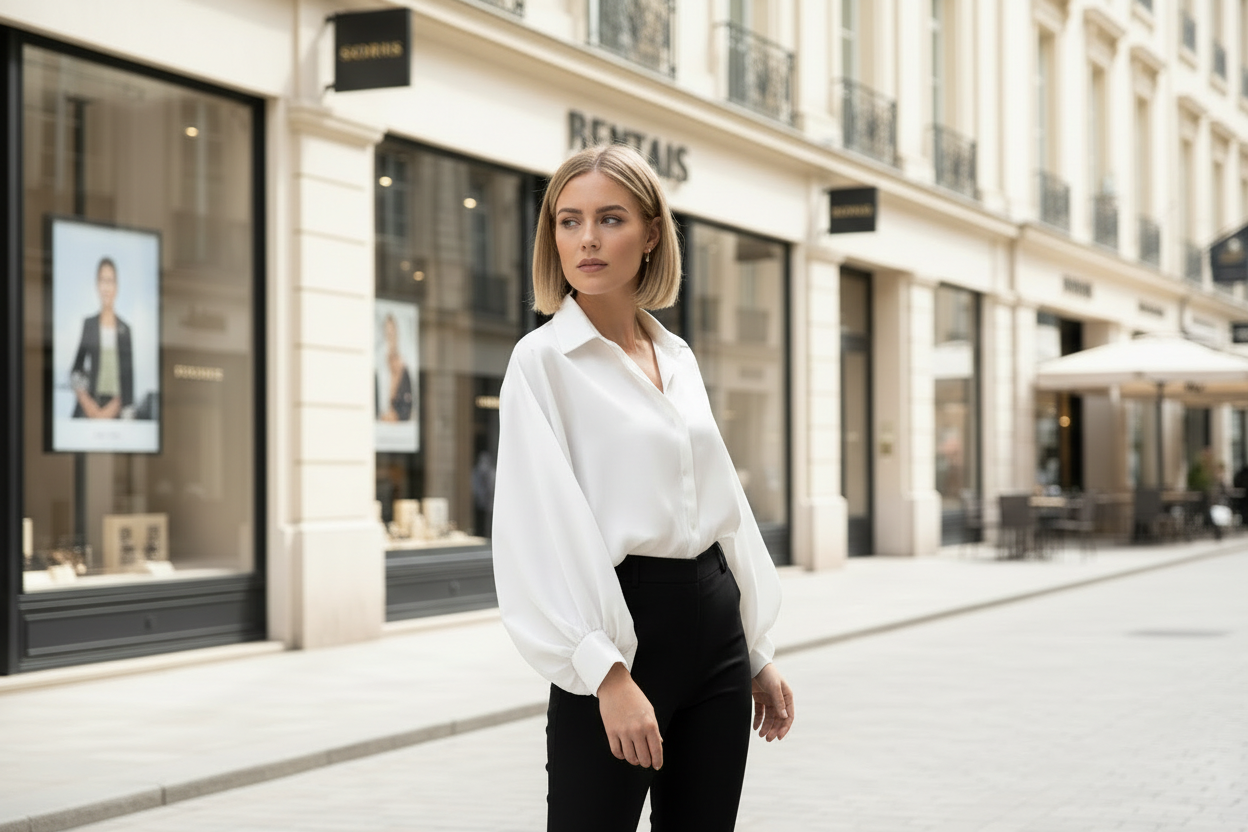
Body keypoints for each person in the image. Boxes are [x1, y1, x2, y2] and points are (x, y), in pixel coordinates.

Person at [491, 143, 794, 832]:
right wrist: (606, 673)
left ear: (652, 233)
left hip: (715, 625)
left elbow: (722, 506)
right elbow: (538, 532)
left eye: (611, 218)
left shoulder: (676, 356)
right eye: (569, 221)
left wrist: (755, 650)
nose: (587, 240)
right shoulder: (541, 364)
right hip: (621, 631)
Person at [70, 256, 134, 420]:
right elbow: (76, 370)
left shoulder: (125, 330)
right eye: (102, 281)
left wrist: (114, 408)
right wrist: (88, 404)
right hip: (91, 408)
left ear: (116, 286)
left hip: (116, 412)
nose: (106, 287)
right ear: (97, 285)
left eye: (110, 281)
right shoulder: (89, 324)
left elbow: (128, 379)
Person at [376, 313, 413, 422]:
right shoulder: (380, 365)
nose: (390, 339)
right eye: (387, 334)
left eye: (392, 333)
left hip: (397, 424)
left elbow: (407, 405)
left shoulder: (403, 366)